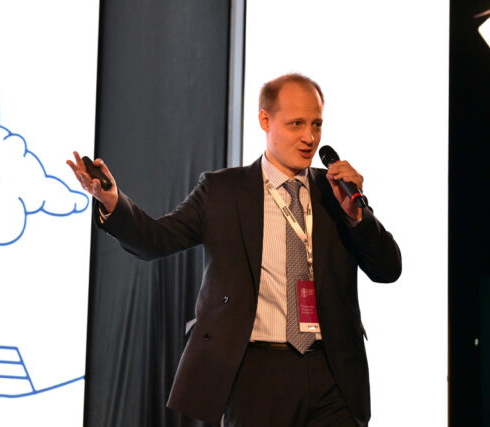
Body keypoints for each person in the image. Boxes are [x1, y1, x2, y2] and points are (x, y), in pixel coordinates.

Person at [67, 73, 401, 427]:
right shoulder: (222, 191)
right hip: (256, 372)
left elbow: (388, 269)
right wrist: (112, 201)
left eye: (316, 124)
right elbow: (155, 239)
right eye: (296, 124)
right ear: (265, 120)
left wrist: (357, 218)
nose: (309, 137)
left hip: (332, 373)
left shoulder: (335, 192)